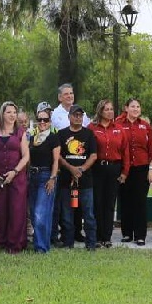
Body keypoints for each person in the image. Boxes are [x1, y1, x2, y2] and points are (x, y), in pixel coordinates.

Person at [0, 101, 30, 253]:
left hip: (17, 177)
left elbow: (26, 156)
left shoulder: (20, 132)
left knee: (17, 210)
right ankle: (3, 241)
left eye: (14, 112)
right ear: (2, 114)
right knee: (1, 209)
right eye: (9, 112)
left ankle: (15, 244)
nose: (12, 115)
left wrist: (15, 171)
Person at [115, 98, 152, 246]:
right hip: (124, 169)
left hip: (141, 168)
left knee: (140, 202)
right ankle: (127, 233)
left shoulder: (145, 126)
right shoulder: (118, 125)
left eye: (138, 107)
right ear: (126, 108)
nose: (136, 109)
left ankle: (140, 235)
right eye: (132, 106)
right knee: (125, 201)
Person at [89, 99, 129, 248]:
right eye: (106, 109)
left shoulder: (119, 128)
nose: (110, 112)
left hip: (114, 169)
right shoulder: (92, 128)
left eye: (112, 109)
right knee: (97, 202)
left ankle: (107, 237)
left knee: (110, 203)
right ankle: (97, 237)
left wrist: (124, 172)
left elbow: (125, 151)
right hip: (97, 169)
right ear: (100, 111)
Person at [57, 105, 97, 249]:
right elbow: (58, 156)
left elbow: (93, 155)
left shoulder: (89, 134)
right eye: (75, 115)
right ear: (69, 117)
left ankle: (91, 243)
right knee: (67, 215)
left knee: (88, 214)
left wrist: (81, 169)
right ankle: (68, 243)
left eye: (80, 115)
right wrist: (71, 168)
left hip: (85, 181)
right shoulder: (61, 134)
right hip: (66, 181)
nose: (78, 118)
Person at [26, 105, 60, 253]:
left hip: (46, 176)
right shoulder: (32, 138)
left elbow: (56, 161)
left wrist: (53, 178)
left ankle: (41, 248)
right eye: (39, 119)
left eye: (45, 120)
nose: (42, 122)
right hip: (32, 176)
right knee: (34, 213)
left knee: (41, 213)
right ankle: (41, 243)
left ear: (49, 122)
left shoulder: (53, 138)